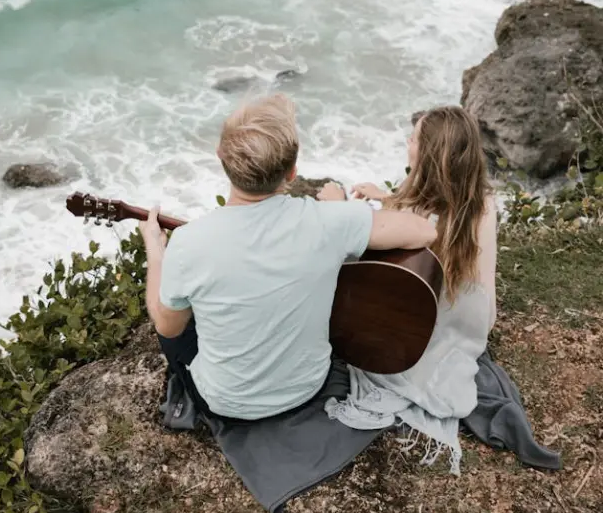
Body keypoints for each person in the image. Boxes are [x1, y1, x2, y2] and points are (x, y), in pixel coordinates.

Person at [138, 93, 437, 422]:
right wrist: (344, 211)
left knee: (177, 314)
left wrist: (156, 254)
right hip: (308, 389)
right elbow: (424, 231)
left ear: (220, 157)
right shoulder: (330, 221)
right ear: (293, 172)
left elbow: (167, 327)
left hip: (227, 404)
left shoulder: (188, 243)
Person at [321, 105, 497, 474]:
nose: (407, 142)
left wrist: (339, 208)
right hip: (471, 328)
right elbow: (427, 209)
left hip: (414, 339)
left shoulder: (415, 215)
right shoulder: (482, 204)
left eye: (414, 139)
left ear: (428, 155)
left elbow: (374, 236)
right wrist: (387, 198)